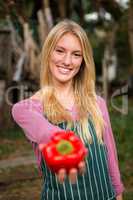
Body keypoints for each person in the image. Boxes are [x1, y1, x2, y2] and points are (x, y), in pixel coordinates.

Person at [12, 19, 124, 200]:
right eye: (60, 51)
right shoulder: (27, 109)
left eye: (76, 54)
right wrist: (65, 142)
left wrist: (118, 192)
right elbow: (44, 132)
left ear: (83, 61)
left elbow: (110, 154)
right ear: (48, 52)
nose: (67, 61)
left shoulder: (97, 103)